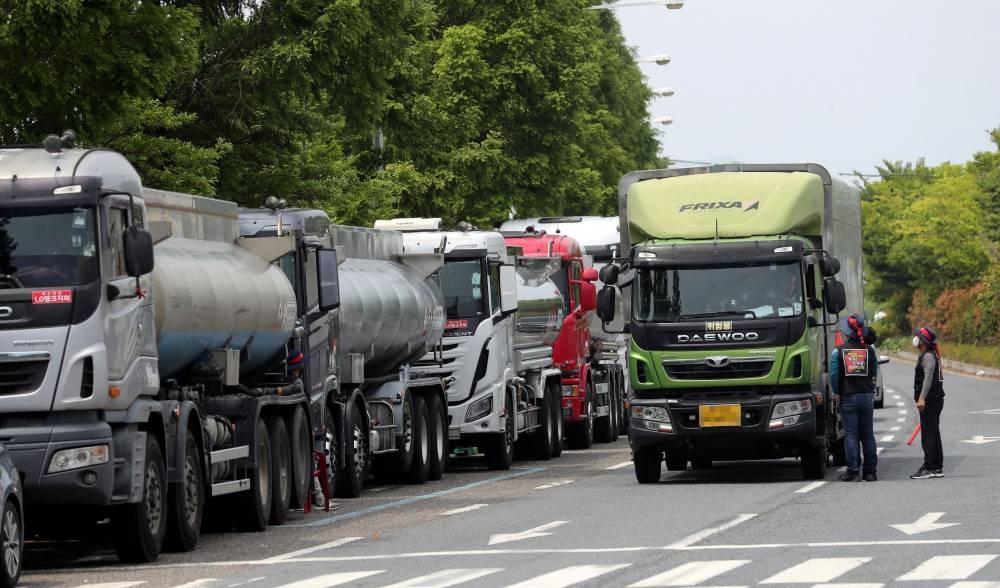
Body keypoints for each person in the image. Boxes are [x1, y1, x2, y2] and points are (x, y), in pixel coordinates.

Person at [829, 313, 879, 482]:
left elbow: (834, 376)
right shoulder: (869, 350)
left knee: (851, 435)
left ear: (846, 332)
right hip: (866, 395)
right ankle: (870, 471)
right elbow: (874, 372)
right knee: (867, 435)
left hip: (848, 396)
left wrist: (837, 393)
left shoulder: (838, 351)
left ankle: (853, 471)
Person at [911, 326, 946, 479]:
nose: (915, 338)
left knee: (928, 434)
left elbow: (928, 378)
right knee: (933, 431)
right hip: (934, 399)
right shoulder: (929, 355)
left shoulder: (928, 357)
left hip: (930, 401)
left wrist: (922, 398)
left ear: (922, 341)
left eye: (917, 336)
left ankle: (930, 467)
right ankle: (937, 466)